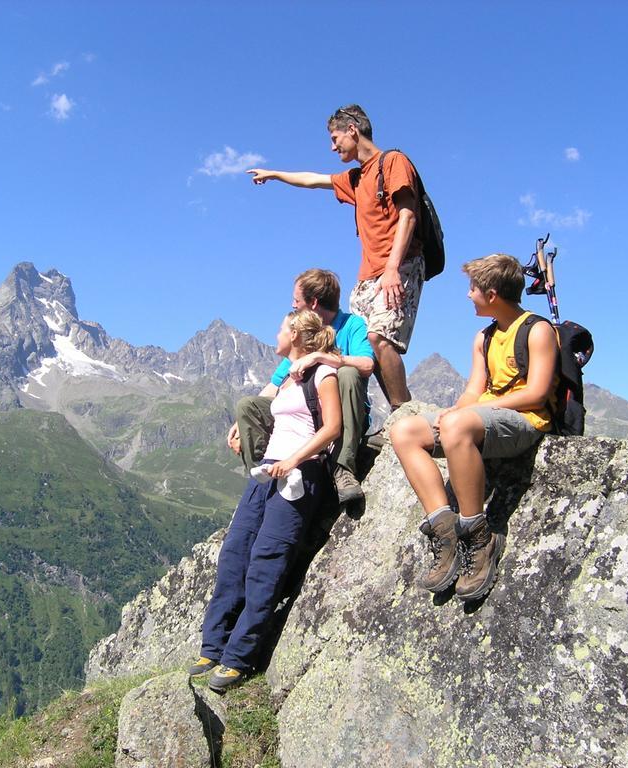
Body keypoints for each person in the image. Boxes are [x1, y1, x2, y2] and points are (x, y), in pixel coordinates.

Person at [389, 254, 558, 601]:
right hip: (484, 418)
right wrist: (453, 412)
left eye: (473, 289)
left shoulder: (538, 330)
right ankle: (444, 528)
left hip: (525, 421)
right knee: (404, 432)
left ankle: (479, 535)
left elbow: (537, 392)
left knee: (457, 426)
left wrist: (475, 411)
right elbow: (474, 389)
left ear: (492, 293)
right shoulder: (483, 338)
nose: (468, 296)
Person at [192, 308, 342, 692]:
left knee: (267, 561)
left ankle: (239, 657)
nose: (274, 334)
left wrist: (295, 459)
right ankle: (214, 645)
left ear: (295, 334)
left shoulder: (322, 375)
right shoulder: (289, 380)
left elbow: (333, 428)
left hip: (299, 474)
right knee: (235, 552)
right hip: (267, 471)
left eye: (280, 328)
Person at [247, 104, 423, 410]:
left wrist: (394, 267)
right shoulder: (356, 178)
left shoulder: (392, 162)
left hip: (399, 263)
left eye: (335, 137)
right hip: (368, 274)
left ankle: (403, 412)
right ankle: (380, 411)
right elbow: (314, 180)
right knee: (365, 345)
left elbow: (408, 214)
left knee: (380, 337)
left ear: (352, 130)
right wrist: (275, 174)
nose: (332, 146)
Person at [227, 269, 374, 503]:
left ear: (313, 302)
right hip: (305, 418)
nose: (293, 305)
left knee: (347, 374)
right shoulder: (305, 335)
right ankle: (267, 476)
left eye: (296, 300)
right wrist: (240, 422)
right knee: (248, 406)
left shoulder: (351, 325)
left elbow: (367, 364)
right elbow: (275, 386)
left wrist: (322, 357)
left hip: (341, 417)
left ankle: (342, 467)